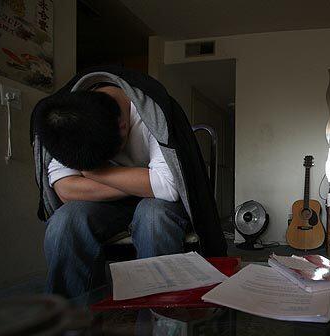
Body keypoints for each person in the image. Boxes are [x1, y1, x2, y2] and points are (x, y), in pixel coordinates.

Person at [32, 66, 226, 298]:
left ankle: (160, 318)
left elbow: (168, 187)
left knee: (153, 216)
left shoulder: (150, 112)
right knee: (65, 221)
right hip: (107, 206)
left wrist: (94, 174)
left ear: (123, 127)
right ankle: (72, 320)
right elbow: (65, 189)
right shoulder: (72, 119)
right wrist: (141, 181)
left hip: (157, 204)